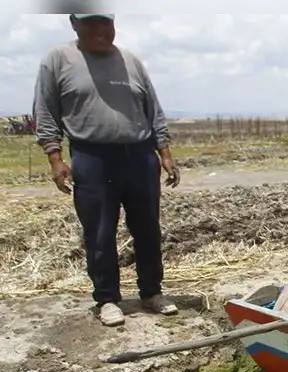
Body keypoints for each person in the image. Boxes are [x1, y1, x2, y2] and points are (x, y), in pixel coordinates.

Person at [33, 13, 180, 327]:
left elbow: (153, 111)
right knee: (99, 233)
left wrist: (164, 154)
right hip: (92, 156)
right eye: (90, 24)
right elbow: (45, 113)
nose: (100, 31)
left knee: (148, 228)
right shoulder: (58, 60)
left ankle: (152, 292)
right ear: (74, 24)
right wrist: (55, 159)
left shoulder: (131, 61)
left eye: (105, 23)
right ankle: (107, 299)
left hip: (140, 156)